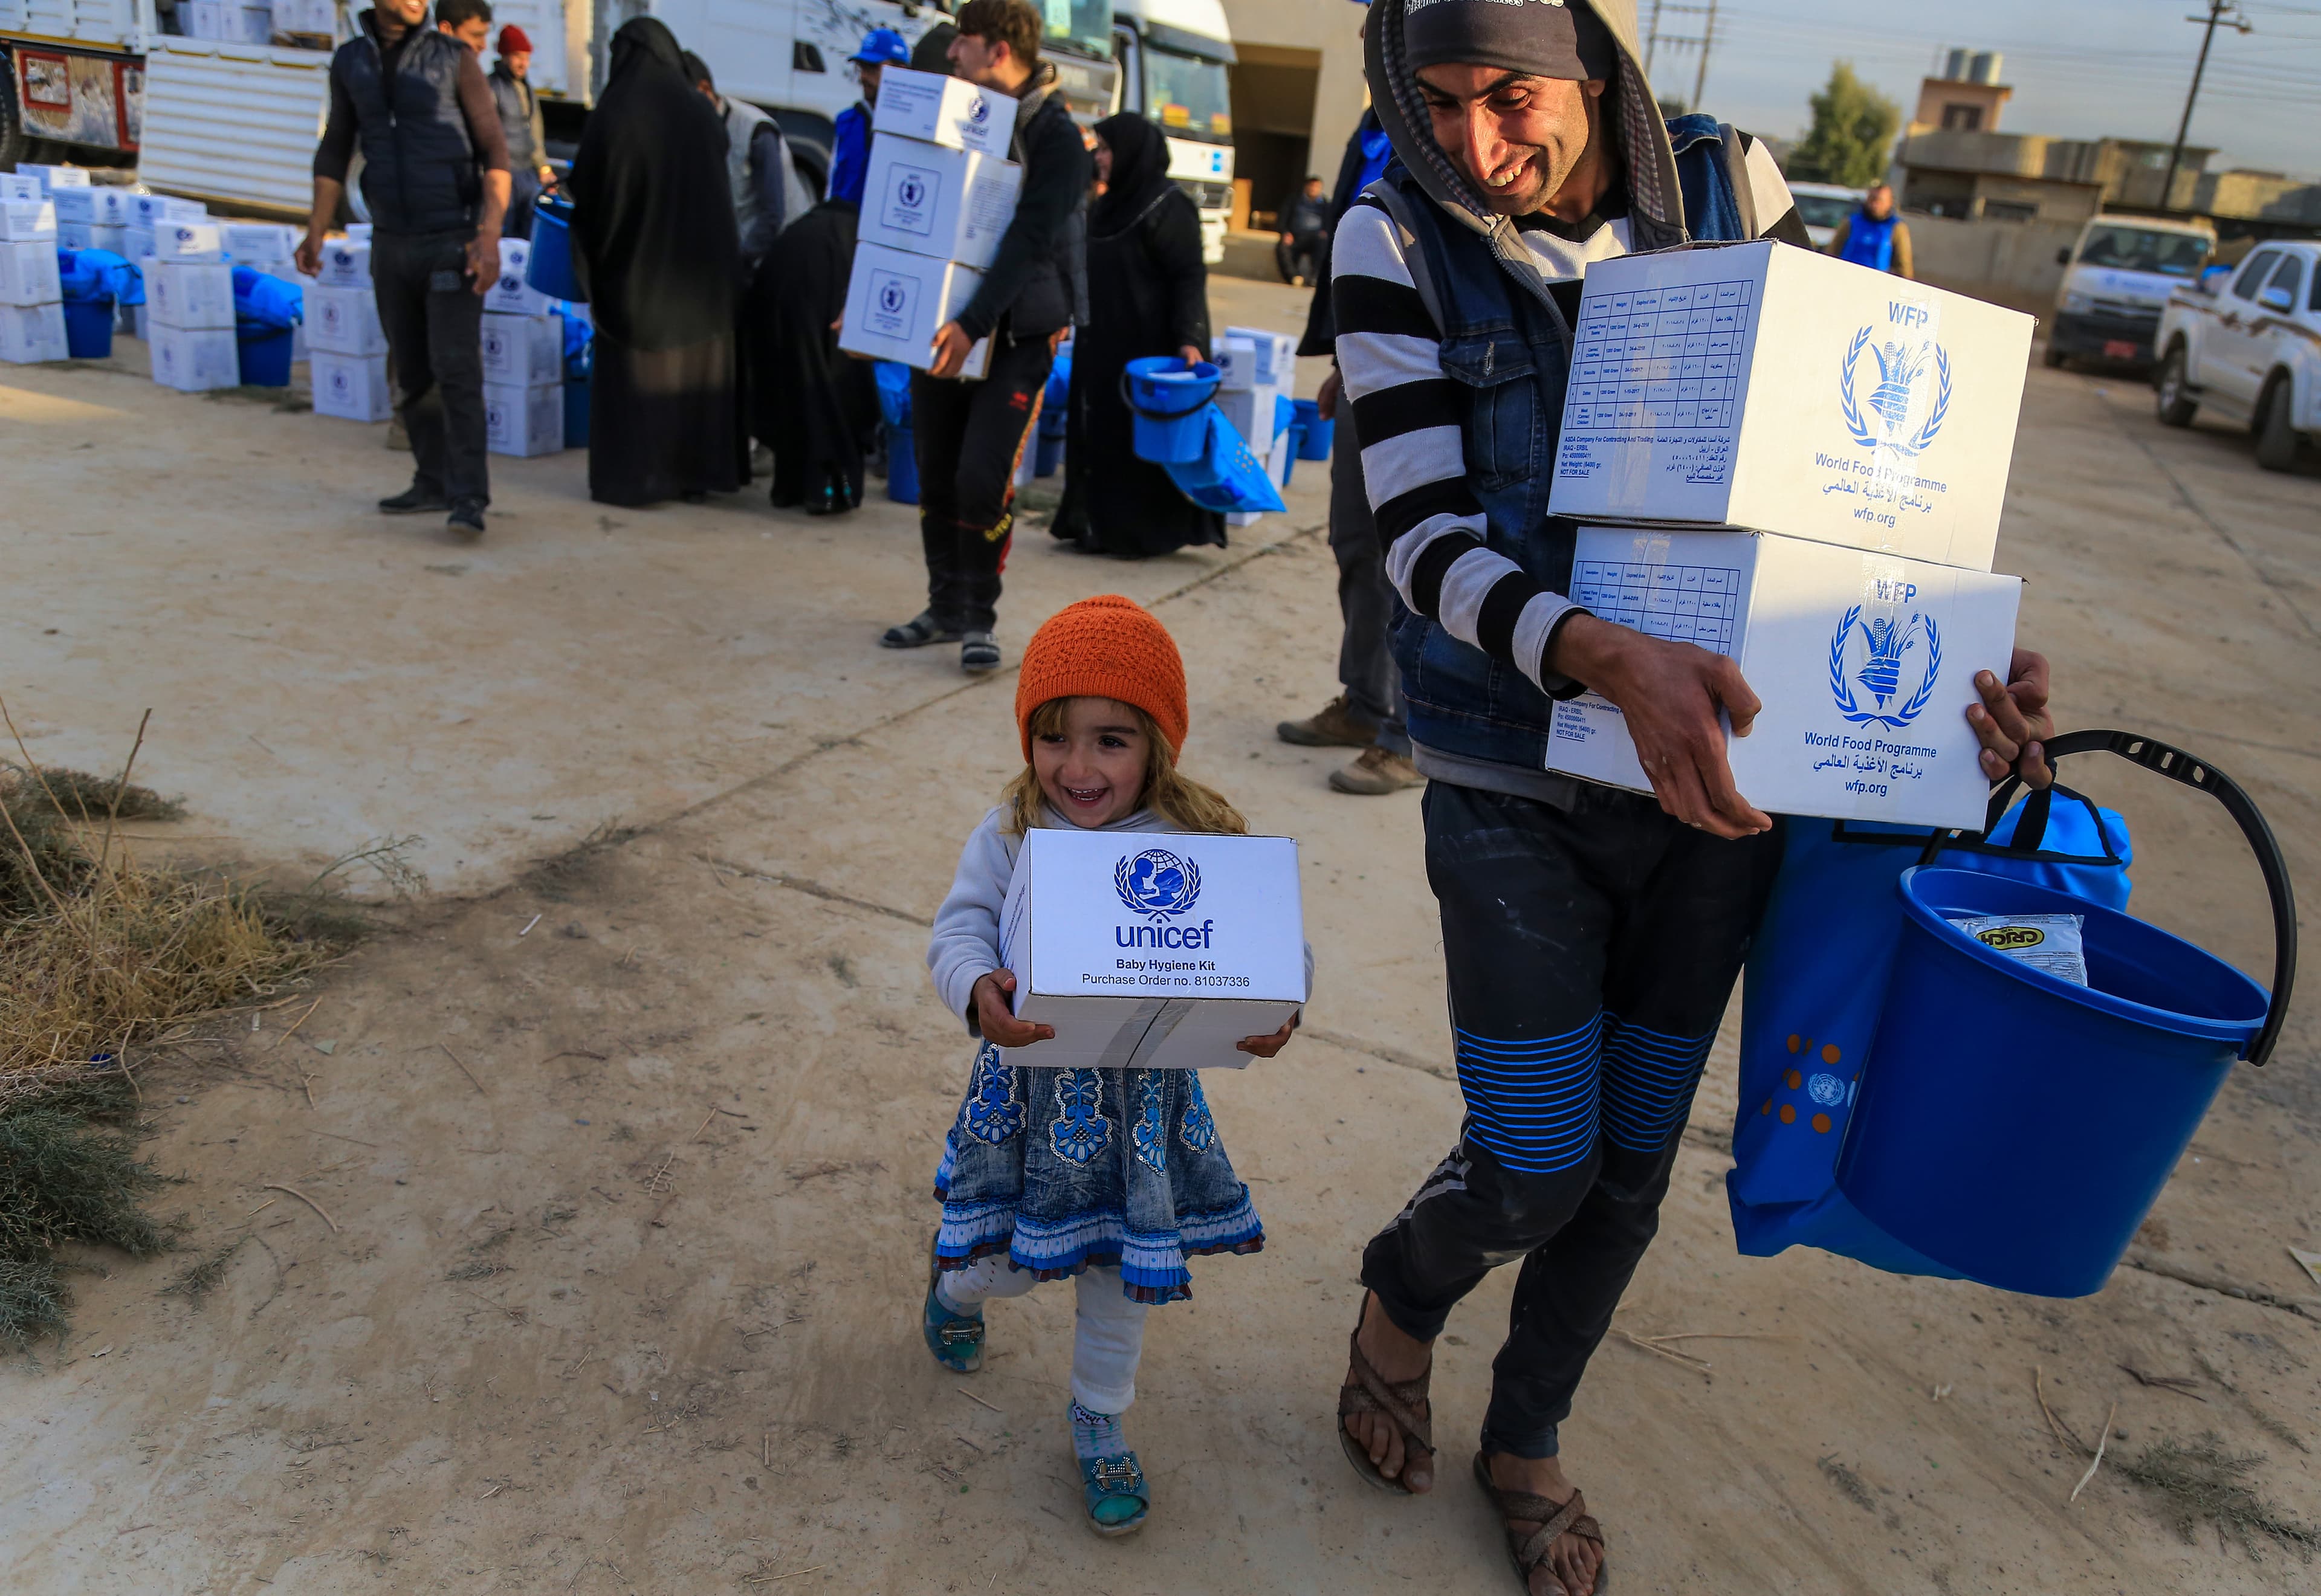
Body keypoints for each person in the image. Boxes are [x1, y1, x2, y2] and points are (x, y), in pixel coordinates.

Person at [1329, 6, 2057, 1594]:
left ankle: (1529, 1436)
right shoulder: (1390, 233)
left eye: (1509, 97)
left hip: (1722, 789)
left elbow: (1877, 483)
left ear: (1590, 66)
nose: (1472, 144)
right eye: (1435, 102)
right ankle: (1401, 1292)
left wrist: (1957, 680)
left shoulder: (1744, 193)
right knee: (1537, 1156)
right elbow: (1423, 538)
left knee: (1636, 1157)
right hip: (1510, 775)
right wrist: (1603, 658)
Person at [920, 593, 1297, 1537]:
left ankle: (1099, 1417)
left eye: (1110, 740)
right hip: (1030, 1092)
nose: (1076, 767)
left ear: (1159, 745)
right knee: (1002, 1264)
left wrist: (1281, 1003)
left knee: (1119, 1276)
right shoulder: (1011, 830)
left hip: (1144, 1106)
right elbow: (959, 925)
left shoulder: (1197, 839)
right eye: (1053, 738)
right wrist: (977, 989)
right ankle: (954, 1284)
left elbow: (1264, 939)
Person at [879, 0, 1091, 675]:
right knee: (935, 470)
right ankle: (943, 606)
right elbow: (907, 210)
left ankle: (979, 616)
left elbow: (1030, 242)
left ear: (998, 50)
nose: (951, 54)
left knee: (980, 476)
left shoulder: (1056, 138)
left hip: (1018, 330)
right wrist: (868, 303)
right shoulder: (959, 117)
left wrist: (975, 325)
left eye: (963, 42)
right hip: (942, 322)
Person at [301, 0, 511, 540]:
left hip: (452, 238)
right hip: (391, 241)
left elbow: (495, 152)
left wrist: (488, 236)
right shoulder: (350, 62)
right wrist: (317, 229)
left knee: (457, 369)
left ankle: (468, 497)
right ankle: (431, 479)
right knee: (413, 372)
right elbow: (335, 150)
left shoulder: (454, 58)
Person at [1280, 85, 1416, 797]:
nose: (1367, 28)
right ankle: (1366, 704)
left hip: (1432, 360)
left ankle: (1411, 733)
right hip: (1367, 354)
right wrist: (1343, 358)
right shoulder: (1373, 124)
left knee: (1419, 552)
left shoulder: (1445, 111)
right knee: (1356, 542)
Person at [566, 16, 743, 508]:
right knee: (697, 383)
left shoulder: (617, 111)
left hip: (639, 278)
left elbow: (591, 192)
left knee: (637, 383)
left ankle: (637, 480)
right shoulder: (699, 109)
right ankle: (695, 476)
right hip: (704, 285)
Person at [1049, 113, 1220, 560]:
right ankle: (1096, 525)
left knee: (1140, 440)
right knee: (1101, 432)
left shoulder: (1169, 205)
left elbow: (1188, 278)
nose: (1099, 158)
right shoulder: (1107, 205)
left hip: (1149, 347)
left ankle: (1141, 532)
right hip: (1102, 342)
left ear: (1129, 153)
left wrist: (1190, 337)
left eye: (1106, 149)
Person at [827, 27, 910, 206]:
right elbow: (832, 185)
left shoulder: (913, 128)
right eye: (862, 68)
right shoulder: (846, 121)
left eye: (873, 69)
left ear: (901, 71)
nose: (864, 77)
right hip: (845, 227)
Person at [488, 25, 554, 238]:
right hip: (504, 174)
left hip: (527, 173)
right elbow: (487, 134)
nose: (523, 63)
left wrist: (543, 168)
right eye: (517, 56)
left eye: (526, 57)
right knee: (505, 234)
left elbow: (535, 131)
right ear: (504, 56)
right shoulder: (492, 87)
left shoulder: (526, 88)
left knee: (529, 232)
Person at [1830, 183, 1914, 279]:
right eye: (1872, 199)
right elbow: (1832, 252)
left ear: (1889, 203)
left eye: (1880, 201)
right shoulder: (1850, 223)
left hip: (1877, 283)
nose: (1875, 205)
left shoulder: (1897, 228)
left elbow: (1903, 264)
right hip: (1845, 278)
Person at [1276, 174, 1330, 285]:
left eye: (1316, 187)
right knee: (1282, 247)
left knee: (1325, 244)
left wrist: (1326, 231)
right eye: (1311, 186)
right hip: (1296, 237)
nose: (1313, 189)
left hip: (1316, 238)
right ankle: (1294, 277)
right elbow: (1282, 219)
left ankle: (1316, 278)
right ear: (1306, 187)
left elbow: (1330, 222)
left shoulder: (1325, 204)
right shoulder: (1294, 201)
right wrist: (1285, 232)